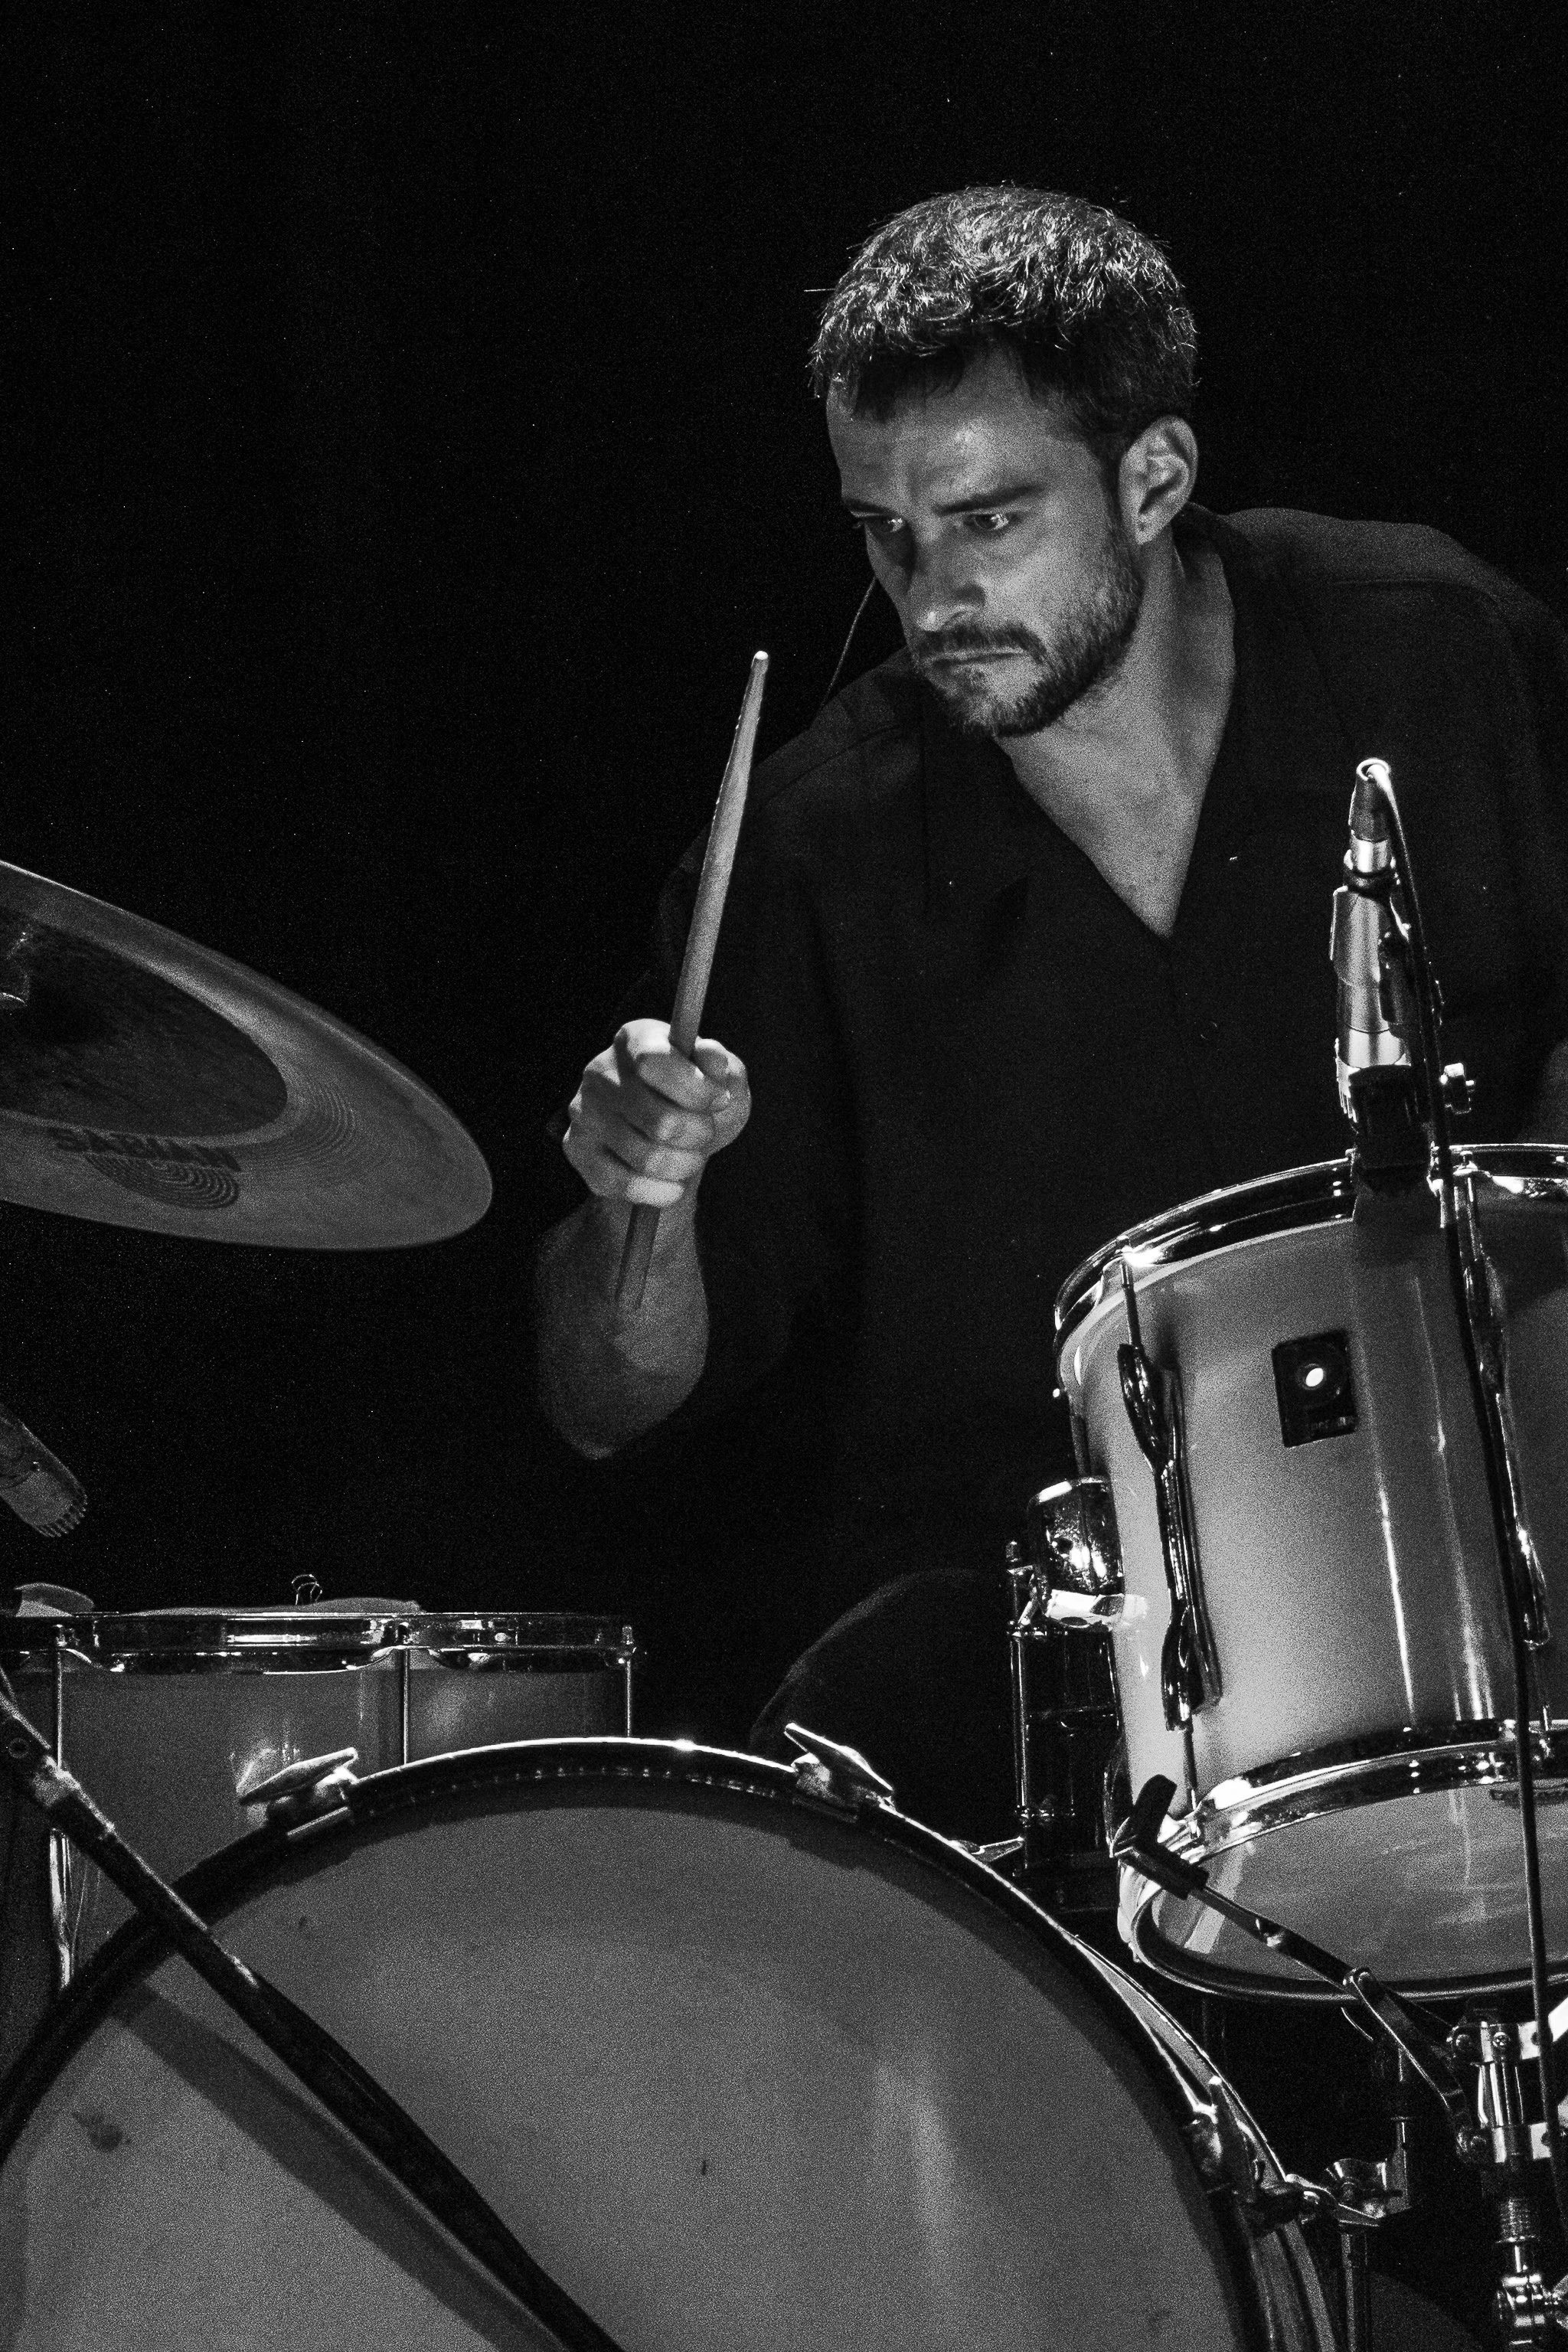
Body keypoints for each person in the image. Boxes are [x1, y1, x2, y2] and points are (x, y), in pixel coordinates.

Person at [534, 185, 1568, 1840]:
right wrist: (635, 1204)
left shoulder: (1434, 650)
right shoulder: (816, 842)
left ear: (1148, 480)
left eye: (988, 521)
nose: (928, 591)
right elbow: (604, 1399)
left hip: (1478, 1594)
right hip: (1031, 1742)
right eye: (883, 530)